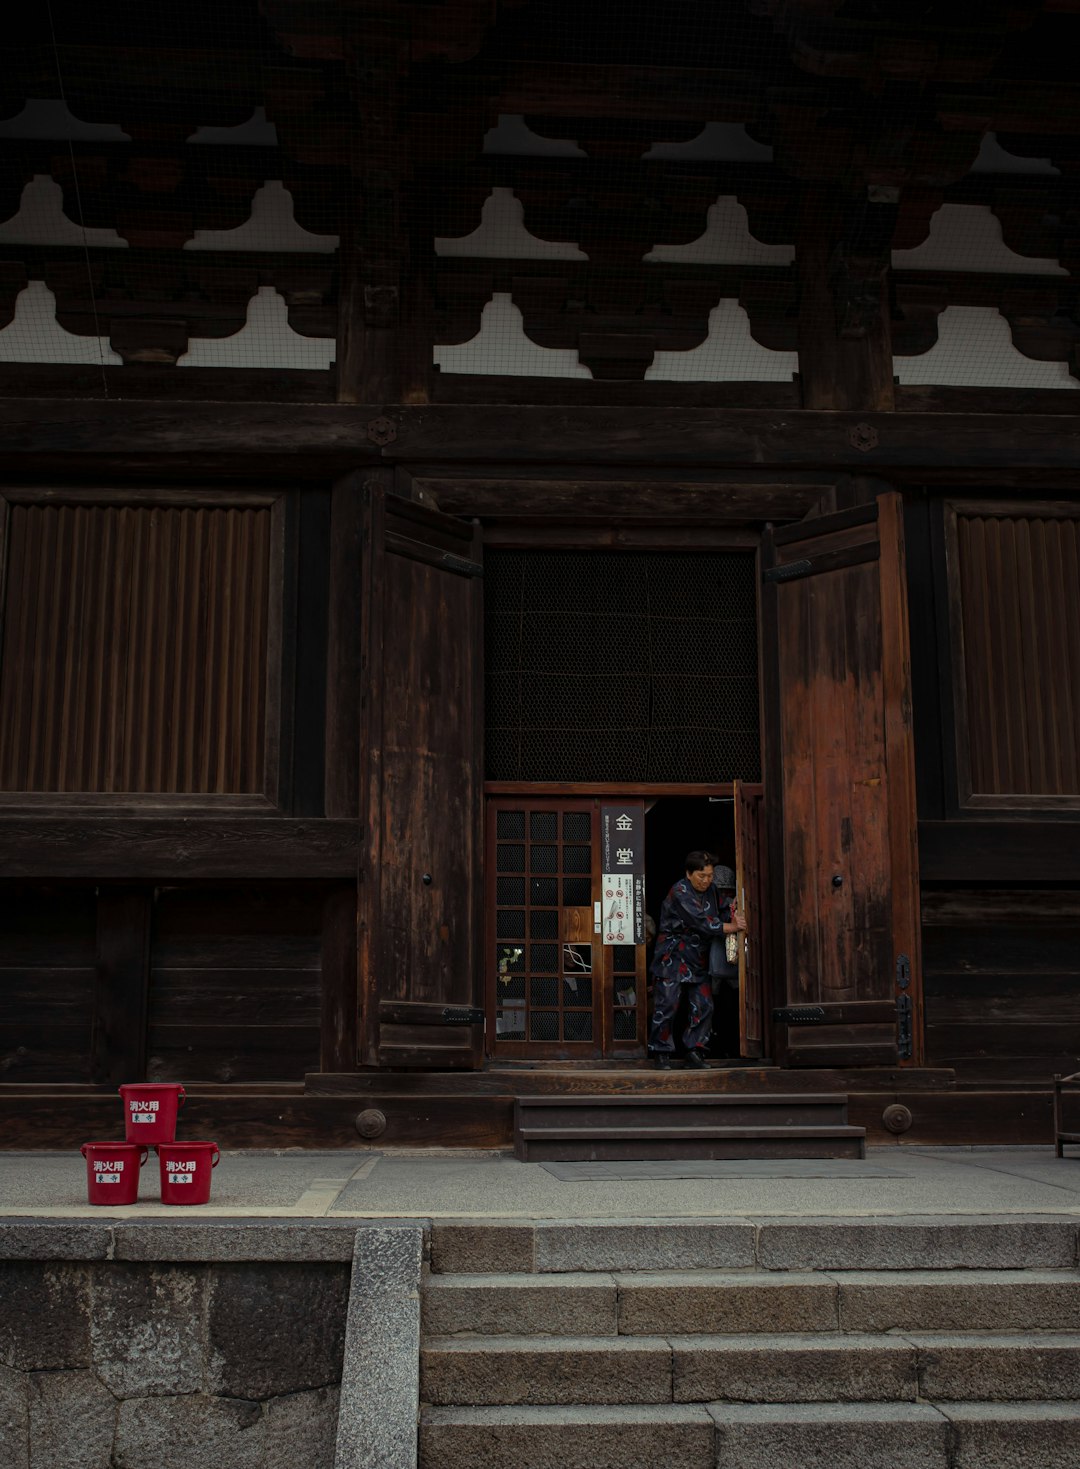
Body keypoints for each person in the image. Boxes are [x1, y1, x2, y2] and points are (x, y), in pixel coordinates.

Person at [647, 850, 744, 1069]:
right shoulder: (680, 891)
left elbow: (723, 908)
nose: (707, 880)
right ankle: (661, 1052)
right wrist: (730, 927)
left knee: (704, 1005)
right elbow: (701, 921)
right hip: (672, 957)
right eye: (702, 876)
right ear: (689, 874)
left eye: (710, 875)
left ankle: (695, 1050)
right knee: (667, 1004)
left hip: (698, 959)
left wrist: (735, 908)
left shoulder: (712, 890)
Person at [708, 864, 743, 1058]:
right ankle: (727, 1045)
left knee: (720, 1005)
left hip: (719, 965)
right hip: (725, 965)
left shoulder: (719, 905)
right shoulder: (731, 905)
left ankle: (724, 1045)